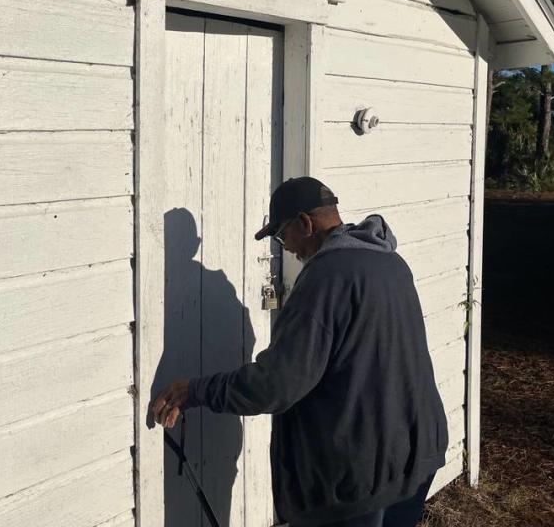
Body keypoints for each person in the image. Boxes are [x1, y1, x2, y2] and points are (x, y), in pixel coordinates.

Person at [151, 177, 449, 527]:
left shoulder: (326, 278)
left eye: (282, 235)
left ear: (306, 224)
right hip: (414, 454)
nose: (285, 247)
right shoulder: (390, 263)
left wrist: (196, 390)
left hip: (358, 478)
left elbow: (276, 384)